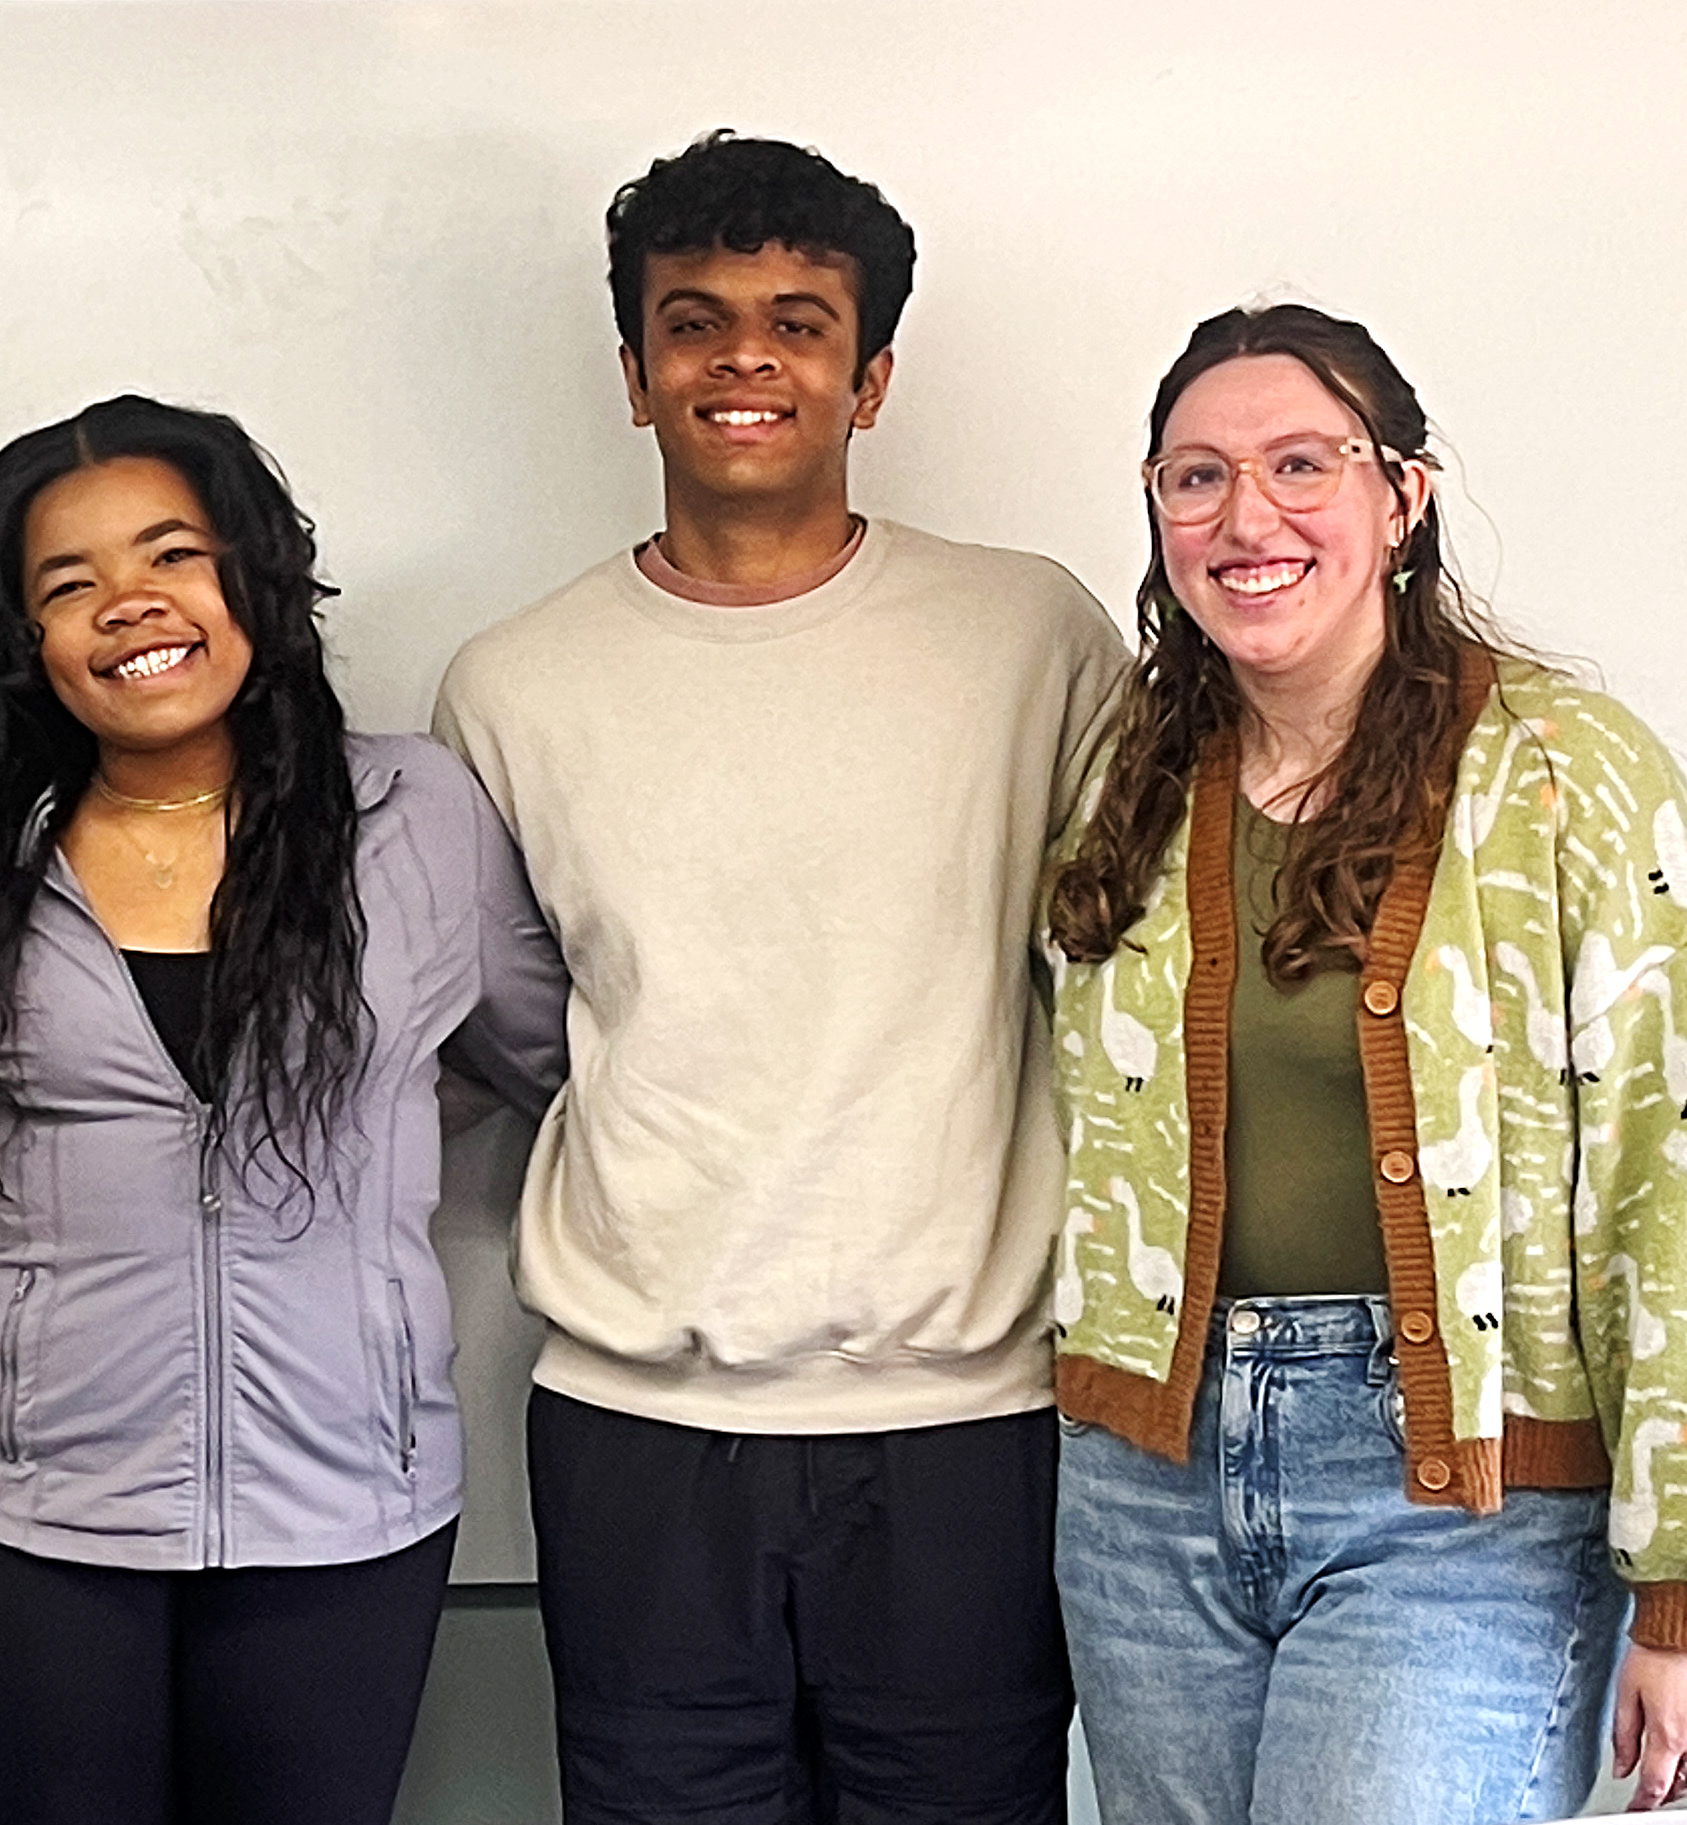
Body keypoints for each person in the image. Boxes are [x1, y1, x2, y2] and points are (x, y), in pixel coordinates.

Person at [431, 132, 1130, 1823]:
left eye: (798, 320)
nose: (744, 355)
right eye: (695, 319)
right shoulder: (512, 684)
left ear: (868, 374)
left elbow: (1131, 977)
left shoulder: (1030, 636)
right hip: (635, 1422)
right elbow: (516, 1030)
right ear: (633, 372)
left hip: (968, 1415)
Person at [1043, 302, 1687, 1823]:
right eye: (1193, 477)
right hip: (1145, 1482)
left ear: (1401, 496)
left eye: (1298, 464)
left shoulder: (1564, 768)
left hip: (1464, 1490)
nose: (1243, 516)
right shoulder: (1127, 770)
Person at [0, 395, 567, 1825]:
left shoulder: (415, 814)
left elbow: (545, 1053)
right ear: (27, 644)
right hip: (37, 1510)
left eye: (171, 555)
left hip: (348, 1507)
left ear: (252, 576)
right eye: (67, 584)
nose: (128, 606)